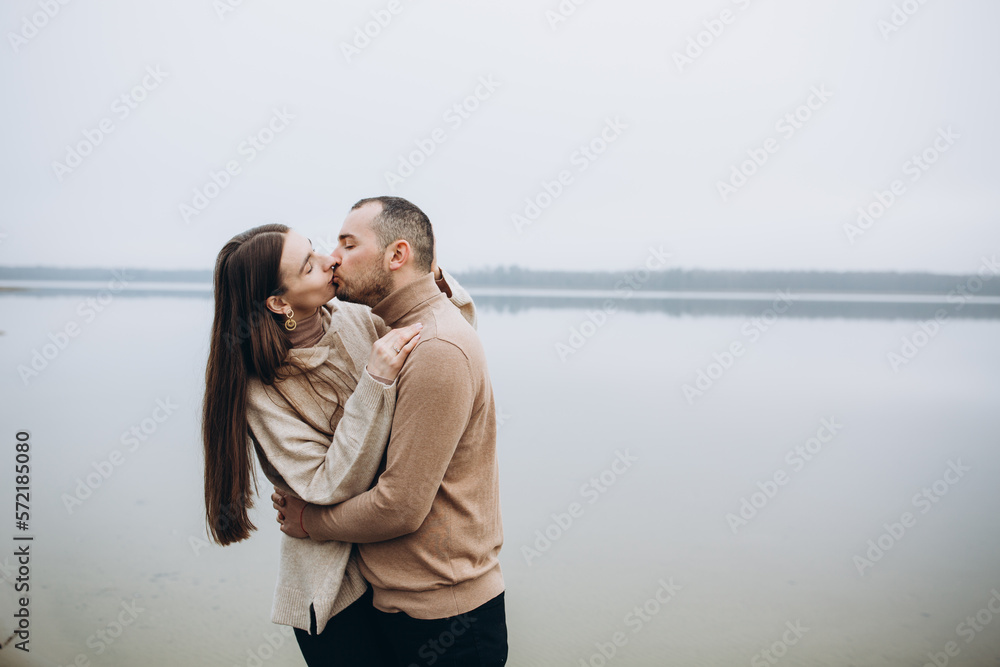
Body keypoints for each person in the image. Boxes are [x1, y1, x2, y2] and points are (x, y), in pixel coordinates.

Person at [201, 221, 476, 666]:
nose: (330, 259)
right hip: (336, 597)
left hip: (404, 575)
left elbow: (451, 343)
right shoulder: (259, 392)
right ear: (278, 302)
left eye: (316, 248)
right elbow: (328, 486)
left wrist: (423, 276)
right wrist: (375, 381)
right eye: (309, 265)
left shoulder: (359, 318)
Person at [272, 196, 507, 667]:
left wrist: (310, 522)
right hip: (400, 606)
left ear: (396, 255)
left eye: (348, 243)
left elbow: (399, 506)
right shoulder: (394, 329)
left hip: (447, 618)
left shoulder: (435, 347)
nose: (333, 257)